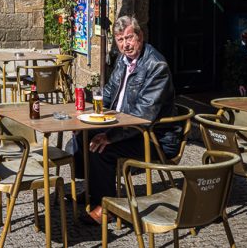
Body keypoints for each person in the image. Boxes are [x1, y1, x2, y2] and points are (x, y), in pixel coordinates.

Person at [76, 14, 179, 224]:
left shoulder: (156, 66)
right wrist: (86, 114)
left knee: (102, 148)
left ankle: (107, 207)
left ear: (140, 36)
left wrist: (110, 137)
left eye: (129, 38)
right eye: (120, 40)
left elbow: (142, 116)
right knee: (82, 135)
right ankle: (95, 190)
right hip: (129, 128)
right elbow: (108, 93)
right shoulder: (123, 61)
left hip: (154, 138)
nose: (126, 45)